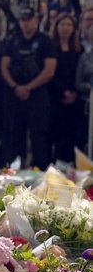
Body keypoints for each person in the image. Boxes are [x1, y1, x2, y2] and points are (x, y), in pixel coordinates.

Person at [0, 6, 56, 169]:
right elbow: (4, 67)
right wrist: (15, 86)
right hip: (15, 94)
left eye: (28, 19)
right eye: (22, 20)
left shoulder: (45, 41)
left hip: (37, 95)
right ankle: (14, 171)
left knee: (39, 136)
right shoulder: (13, 40)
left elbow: (49, 70)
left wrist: (28, 88)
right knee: (15, 135)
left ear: (36, 20)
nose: (25, 24)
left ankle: (40, 171)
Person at [48, 13, 82, 163]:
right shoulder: (51, 47)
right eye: (62, 25)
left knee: (69, 134)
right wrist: (63, 91)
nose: (65, 28)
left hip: (73, 98)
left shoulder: (77, 49)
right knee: (52, 133)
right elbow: (50, 73)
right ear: (56, 27)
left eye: (69, 25)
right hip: (54, 96)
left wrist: (73, 92)